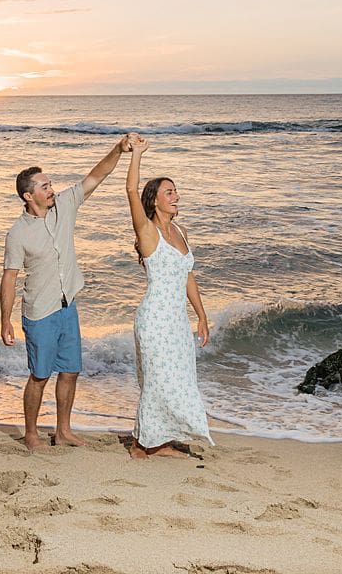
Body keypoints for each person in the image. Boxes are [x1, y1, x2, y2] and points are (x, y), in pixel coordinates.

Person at [0, 134, 137, 450]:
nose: (52, 190)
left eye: (50, 184)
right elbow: (9, 279)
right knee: (40, 375)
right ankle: (32, 433)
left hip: (67, 306)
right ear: (28, 195)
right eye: (44, 186)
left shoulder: (64, 206)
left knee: (71, 371)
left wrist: (118, 148)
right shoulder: (18, 233)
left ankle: (63, 431)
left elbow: (96, 176)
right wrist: (5, 320)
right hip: (40, 312)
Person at [124, 135, 213, 459]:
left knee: (178, 380)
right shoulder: (148, 232)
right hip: (155, 321)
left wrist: (201, 316)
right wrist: (137, 153)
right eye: (169, 192)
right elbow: (131, 190)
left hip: (176, 321)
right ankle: (142, 446)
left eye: (176, 191)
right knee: (158, 380)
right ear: (155, 201)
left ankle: (159, 439)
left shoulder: (181, 232)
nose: (176, 196)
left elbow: (187, 275)